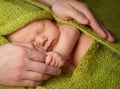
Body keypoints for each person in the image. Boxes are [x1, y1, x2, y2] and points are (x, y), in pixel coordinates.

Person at [0, 0, 115, 87]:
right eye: (33, 44)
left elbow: (71, 30)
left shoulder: (60, 29)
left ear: (50, 20)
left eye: (41, 30)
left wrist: (61, 52)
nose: (41, 40)